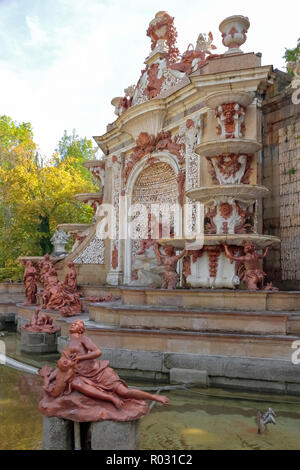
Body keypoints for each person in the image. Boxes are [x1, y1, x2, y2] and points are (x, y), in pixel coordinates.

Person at [41, 320, 169, 409]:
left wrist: (80, 357)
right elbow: (61, 369)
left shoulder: (83, 339)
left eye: (76, 323)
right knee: (75, 383)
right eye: (72, 323)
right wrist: (48, 377)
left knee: (124, 392)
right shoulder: (67, 346)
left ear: (81, 329)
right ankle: (110, 398)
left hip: (98, 372)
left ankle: (155, 397)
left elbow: (98, 352)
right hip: (82, 375)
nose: (73, 324)